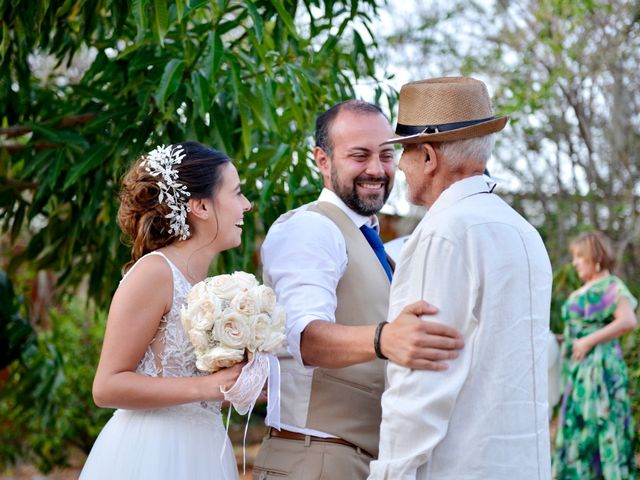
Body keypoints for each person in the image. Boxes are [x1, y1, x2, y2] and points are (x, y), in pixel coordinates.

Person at [252, 100, 465, 480]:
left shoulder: (374, 241)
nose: (376, 169)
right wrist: (386, 339)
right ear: (322, 160)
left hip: (362, 461)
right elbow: (303, 337)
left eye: (386, 154)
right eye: (359, 155)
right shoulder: (310, 228)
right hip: (316, 460)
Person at [368, 77, 553, 479]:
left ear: (429, 158)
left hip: (460, 466)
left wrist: (389, 474)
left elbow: (420, 382)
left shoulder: (442, 234)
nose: (399, 166)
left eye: (405, 152)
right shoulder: (523, 232)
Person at [80, 142, 251, 479]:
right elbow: (107, 386)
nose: (247, 205)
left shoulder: (209, 286)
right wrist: (209, 387)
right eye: (237, 193)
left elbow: (197, 388)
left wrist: (243, 385)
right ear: (200, 206)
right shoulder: (155, 272)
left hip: (205, 449)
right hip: (153, 453)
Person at [552, 231, 637, 479]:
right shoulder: (583, 289)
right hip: (579, 372)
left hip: (602, 368)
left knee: (602, 425)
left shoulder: (611, 286)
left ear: (595, 257)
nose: (575, 262)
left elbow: (628, 321)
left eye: (580, 257)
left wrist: (588, 341)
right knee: (578, 428)